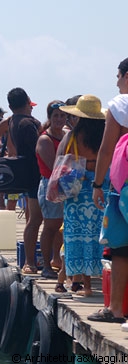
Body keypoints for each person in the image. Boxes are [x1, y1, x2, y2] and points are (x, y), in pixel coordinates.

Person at [0, 88, 42, 274]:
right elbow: (38, 149)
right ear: (28, 101)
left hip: (18, 171)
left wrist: (6, 156)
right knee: (34, 218)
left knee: (30, 216)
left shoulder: (8, 121)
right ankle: (30, 261)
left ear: (9, 106)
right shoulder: (30, 123)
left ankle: (29, 259)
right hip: (33, 173)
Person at [55, 95, 107, 297]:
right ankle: (98, 283)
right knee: (98, 235)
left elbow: (59, 163)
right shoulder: (105, 136)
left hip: (76, 191)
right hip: (101, 187)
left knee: (76, 236)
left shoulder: (72, 137)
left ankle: (80, 283)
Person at [89, 57, 128, 324]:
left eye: (118, 76)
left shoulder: (119, 106)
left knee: (121, 247)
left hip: (122, 187)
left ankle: (115, 309)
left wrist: (97, 184)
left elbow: (106, 148)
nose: (116, 82)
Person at [35, 100, 67, 279]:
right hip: (51, 186)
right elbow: (55, 166)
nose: (59, 119)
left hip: (65, 186)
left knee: (60, 226)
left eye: (63, 115)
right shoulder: (44, 139)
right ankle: (46, 265)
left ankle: (57, 259)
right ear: (50, 117)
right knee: (50, 226)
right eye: (56, 116)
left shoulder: (66, 135)